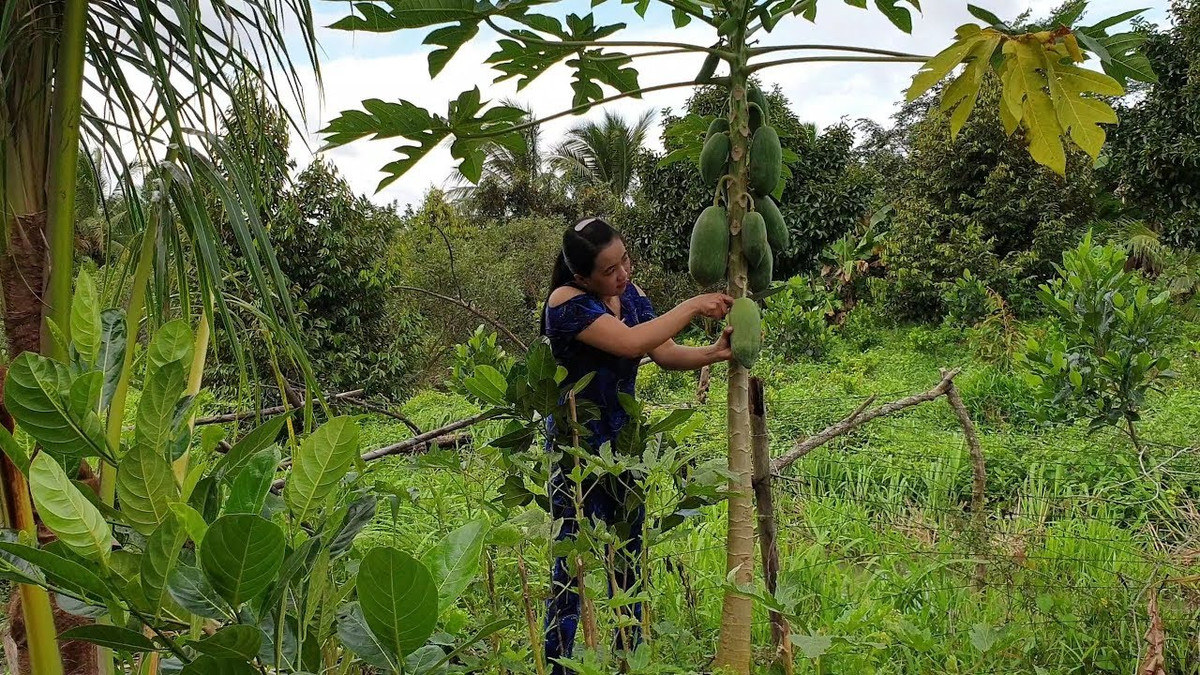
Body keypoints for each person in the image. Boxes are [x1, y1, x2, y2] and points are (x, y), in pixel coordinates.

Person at [539, 216, 734, 671]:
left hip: (625, 442)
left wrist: (714, 354)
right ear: (581, 276)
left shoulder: (630, 294)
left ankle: (631, 658)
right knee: (573, 565)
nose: (622, 274)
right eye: (610, 270)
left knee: (627, 558)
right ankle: (558, 665)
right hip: (578, 450)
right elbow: (629, 344)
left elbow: (661, 352)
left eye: (624, 260)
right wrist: (693, 305)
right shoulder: (564, 303)